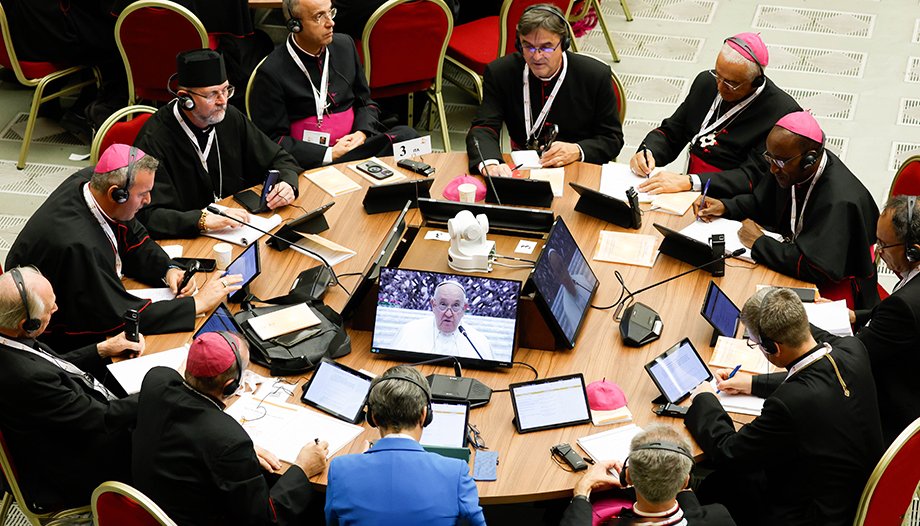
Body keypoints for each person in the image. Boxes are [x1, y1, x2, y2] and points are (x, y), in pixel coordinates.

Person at [5, 144, 241, 354]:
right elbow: (116, 315)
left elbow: (134, 235)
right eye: (143, 194)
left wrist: (167, 269)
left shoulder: (92, 182)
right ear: (116, 194)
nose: (149, 201)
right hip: (58, 334)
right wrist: (196, 304)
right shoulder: (79, 245)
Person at [686, 288, 884, 525]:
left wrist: (705, 399)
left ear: (773, 348)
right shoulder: (853, 348)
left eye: (755, 343)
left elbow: (730, 452)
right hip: (855, 494)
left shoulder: (788, 402)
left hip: (812, 515)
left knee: (721, 483)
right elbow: (815, 368)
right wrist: (751, 383)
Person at [132, 331, 328, 525]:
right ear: (230, 386)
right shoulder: (229, 441)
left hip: (146, 507)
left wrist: (240, 455)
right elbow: (267, 519)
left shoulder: (157, 381)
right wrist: (303, 469)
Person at [695, 111, 879, 310]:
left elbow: (816, 267)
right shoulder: (788, 167)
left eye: (780, 162)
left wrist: (759, 243)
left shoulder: (839, 201)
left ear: (809, 159)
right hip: (793, 258)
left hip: (833, 290)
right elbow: (763, 204)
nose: (773, 169)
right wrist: (726, 207)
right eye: (770, 158)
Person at [0, 267, 143, 511]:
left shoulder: (9, 336)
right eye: (50, 308)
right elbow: (102, 418)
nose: (56, 308)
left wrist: (103, 349)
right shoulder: (27, 377)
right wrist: (158, 390)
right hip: (78, 468)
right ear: (28, 324)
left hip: (66, 428)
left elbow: (53, 365)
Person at [134, 49, 302, 239]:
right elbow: (146, 215)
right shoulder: (154, 139)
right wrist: (201, 220)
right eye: (212, 94)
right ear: (185, 99)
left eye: (226, 90)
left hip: (237, 228)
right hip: (186, 239)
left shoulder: (229, 117)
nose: (223, 101)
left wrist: (288, 183)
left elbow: (280, 158)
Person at [249, 0, 419, 170]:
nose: (331, 23)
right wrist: (329, 153)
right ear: (295, 25)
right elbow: (272, 140)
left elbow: (366, 103)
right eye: (319, 17)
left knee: (408, 136)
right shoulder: (272, 72)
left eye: (330, 12)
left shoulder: (345, 45)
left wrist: (361, 133)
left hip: (356, 147)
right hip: (310, 160)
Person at [631, 32, 800, 199]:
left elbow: (751, 177)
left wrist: (691, 182)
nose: (719, 87)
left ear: (755, 82)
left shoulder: (781, 114)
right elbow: (673, 132)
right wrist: (649, 151)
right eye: (718, 75)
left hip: (730, 201)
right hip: (687, 189)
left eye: (731, 83)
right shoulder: (706, 82)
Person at [466, 4, 624, 175]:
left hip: (577, 168)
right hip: (523, 169)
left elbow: (612, 139)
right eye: (528, 46)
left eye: (546, 47)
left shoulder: (594, 75)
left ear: (564, 43)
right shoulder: (500, 73)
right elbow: (484, 127)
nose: (536, 56)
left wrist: (577, 150)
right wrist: (489, 163)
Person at [812, 195, 920, 443]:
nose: (878, 253)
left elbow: (850, 358)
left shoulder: (904, 305)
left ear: (913, 251)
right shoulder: (910, 292)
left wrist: (801, 327)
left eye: (883, 245)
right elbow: (901, 320)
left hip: (889, 418)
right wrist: (854, 315)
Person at [325, 365, 486, 525]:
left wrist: (356, 465)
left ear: (373, 418)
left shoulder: (341, 470)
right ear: (424, 415)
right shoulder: (455, 472)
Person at [561, 424, 735, 525]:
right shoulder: (719, 517)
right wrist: (673, 474)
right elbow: (694, 514)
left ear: (627, 476)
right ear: (686, 482)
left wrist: (582, 491)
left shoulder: (614, 524)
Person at [389, 280, 494, 360]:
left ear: (464, 309)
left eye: (456, 306)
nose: (448, 314)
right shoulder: (409, 332)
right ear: (433, 305)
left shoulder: (479, 342)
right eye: (443, 304)